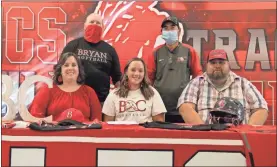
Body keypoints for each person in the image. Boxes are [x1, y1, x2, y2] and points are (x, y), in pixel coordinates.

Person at [177, 49, 268, 125]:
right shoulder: (196, 83)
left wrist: (247, 132)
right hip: (206, 140)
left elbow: (261, 108)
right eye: (213, 63)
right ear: (206, 65)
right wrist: (204, 133)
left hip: (239, 140)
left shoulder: (243, 83)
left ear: (228, 64)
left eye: (221, 62)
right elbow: (185, 108)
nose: (217, 66)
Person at [148, 16, 203, 123]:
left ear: (179, 31)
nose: (169, 31)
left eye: (172, 28)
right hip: (160, 108)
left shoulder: (189, 51)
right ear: (162, 32)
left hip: (184, 107)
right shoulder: (155, 53)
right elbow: (149, 79)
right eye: (166, 28)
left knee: (183, 138)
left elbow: (198, 76)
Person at [62, 13, 122, 104]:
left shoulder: (110, 50)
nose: (94, 25)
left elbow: (117, 78)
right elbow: (60, 71)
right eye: (92, 22)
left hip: (101, 101)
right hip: (74, 99)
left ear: (103, 27)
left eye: (98, 23)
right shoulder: (73, 46)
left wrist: (124, 98)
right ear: (85, 25)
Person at [29, 52, 102, 122]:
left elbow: (97, 121)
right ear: (60, 70)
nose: (70, 68)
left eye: (74, 65)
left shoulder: (89, 92)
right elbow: (35, 118)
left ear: (79, 69)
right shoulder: (47, 91)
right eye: (66, 65)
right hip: (55, 134)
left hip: (84, 134)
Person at [102, 58, 167, 123]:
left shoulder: (153, 93)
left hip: (145, 133)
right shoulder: (114, 94)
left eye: (140, 71)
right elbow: (107, 123)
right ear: (126, 72)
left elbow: (159, 122)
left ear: (144, 73)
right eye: (133, 70)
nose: (136, 74)